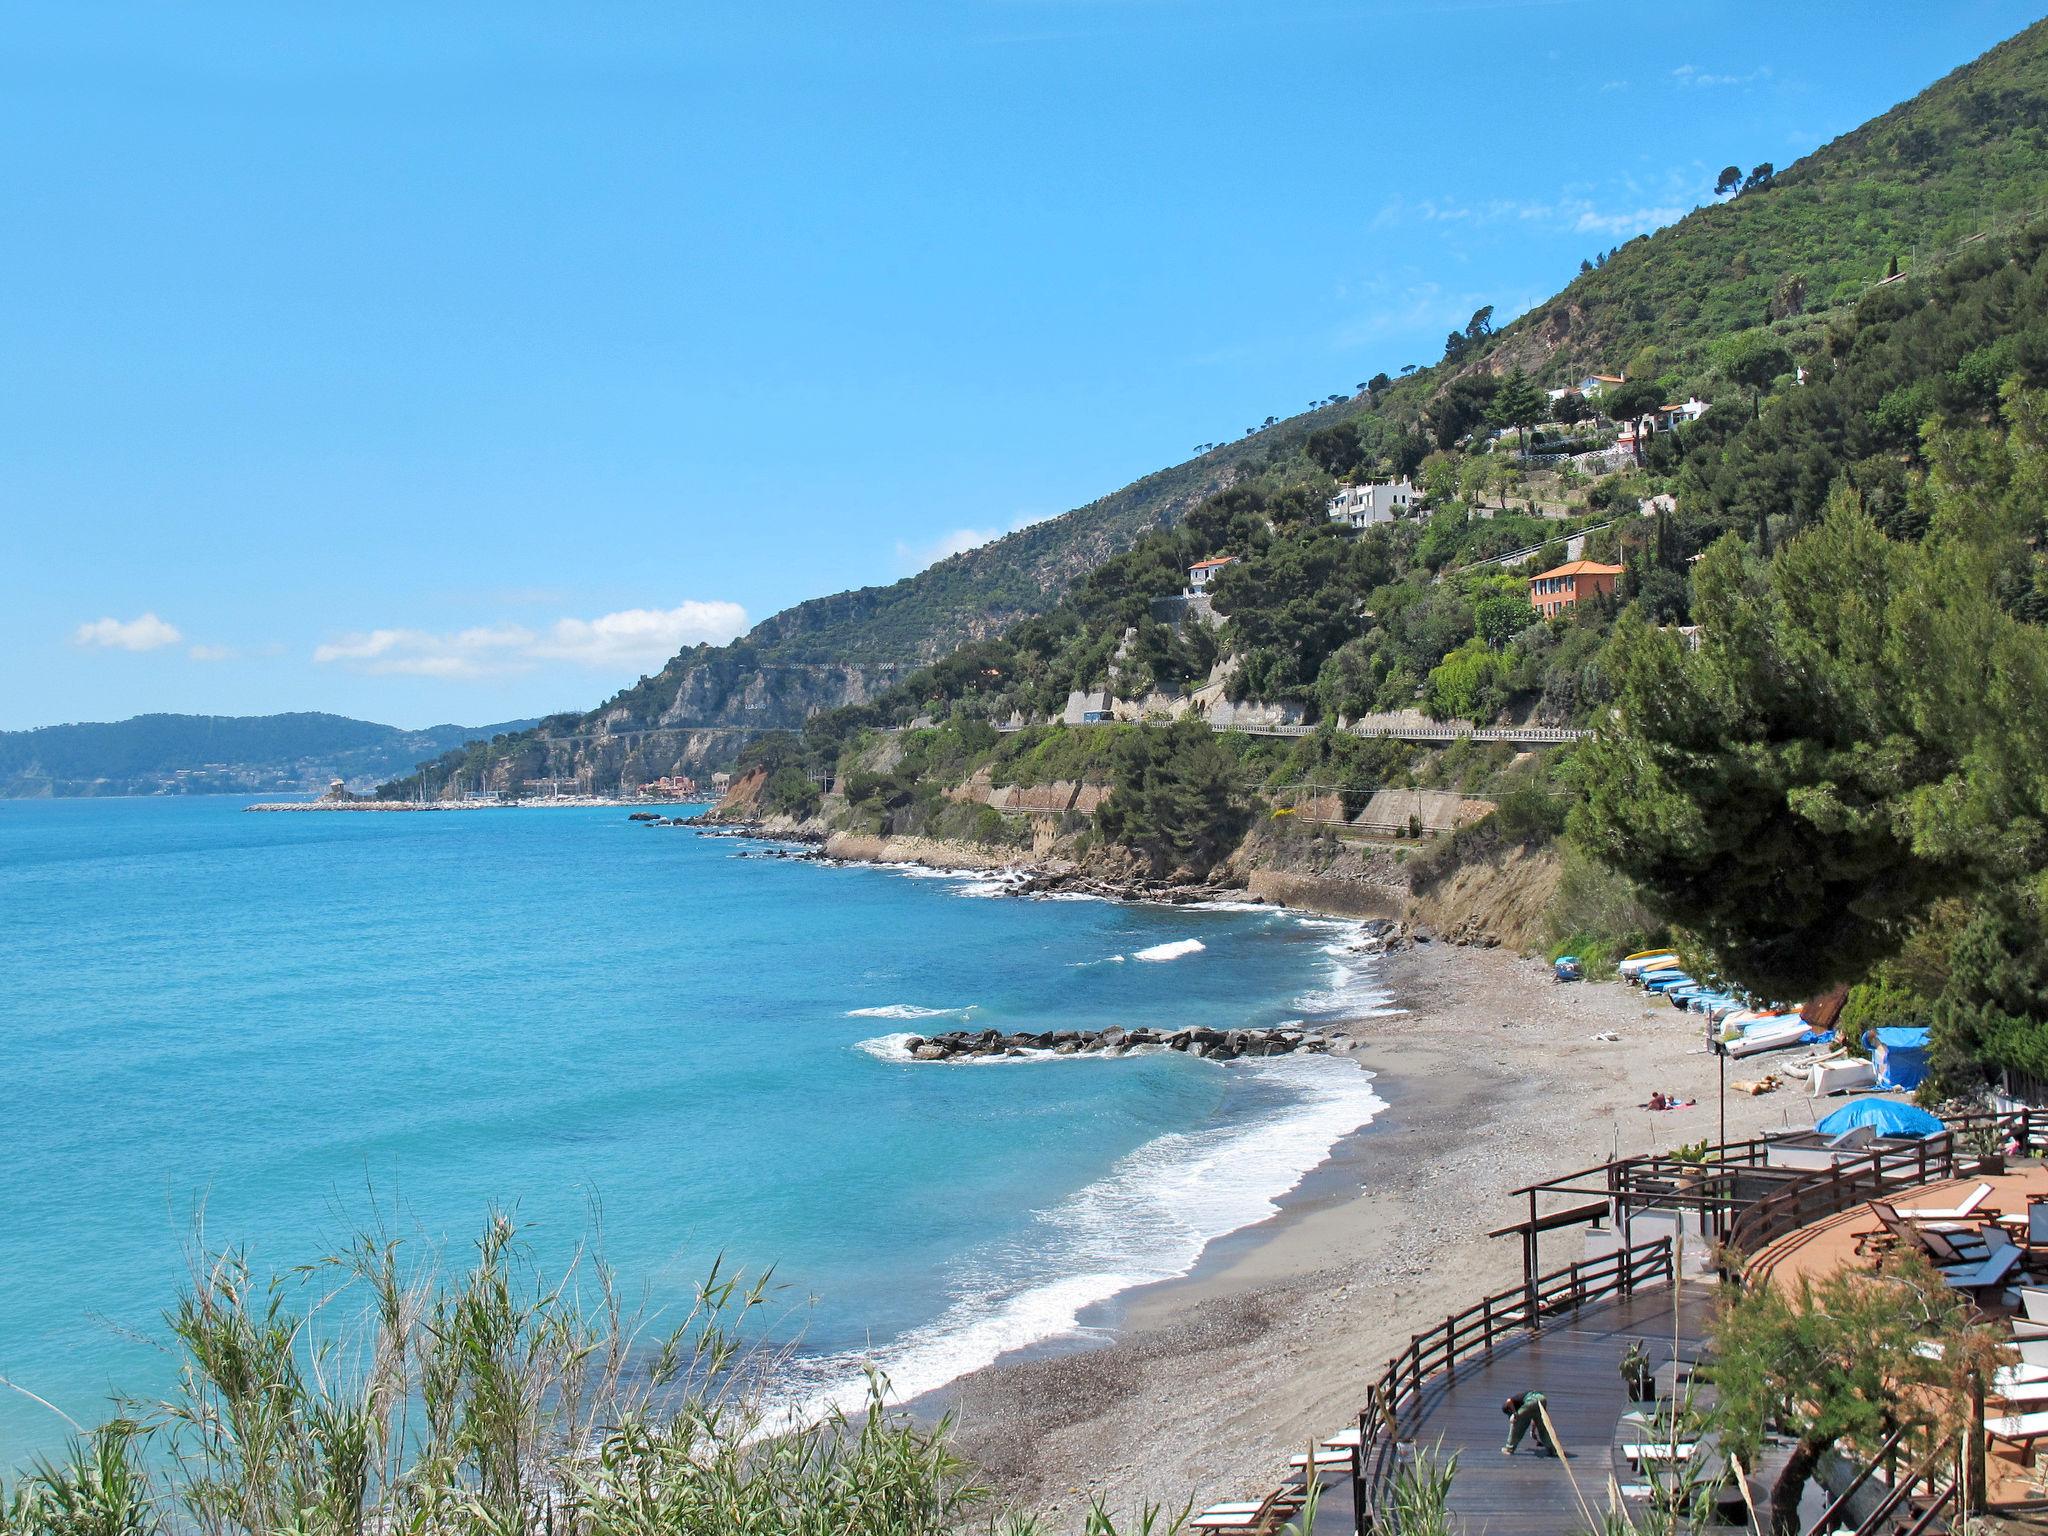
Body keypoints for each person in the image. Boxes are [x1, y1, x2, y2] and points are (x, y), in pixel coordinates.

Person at [1502, 1391, 1556, 1455]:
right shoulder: (1522, 1404)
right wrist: (1532, 1431)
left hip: (1531, 1399)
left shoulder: (1511, 1403)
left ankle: (1509, 1449)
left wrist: (1514, 1413)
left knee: (1516, 1424)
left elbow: (1508, 1401)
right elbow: (1535, 1418)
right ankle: (1552, 1450)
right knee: (1543, 1429)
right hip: (1542, 1399)